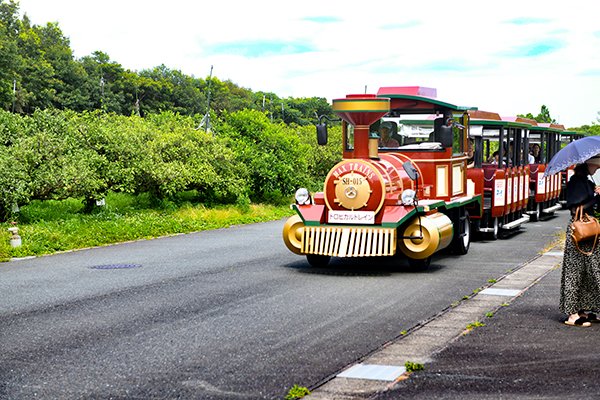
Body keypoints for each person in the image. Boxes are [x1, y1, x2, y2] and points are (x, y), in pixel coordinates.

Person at [560, 155, 600, 327]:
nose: (598, 169)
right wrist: (596, 197)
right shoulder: (577, 181)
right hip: (581, 230)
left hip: (588, 231)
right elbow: (576, 205)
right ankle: (572, 313)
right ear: (590, 164)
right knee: (574, 272)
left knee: (587, 271)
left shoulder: (585, 181)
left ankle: (582, 309)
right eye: (597, 166)